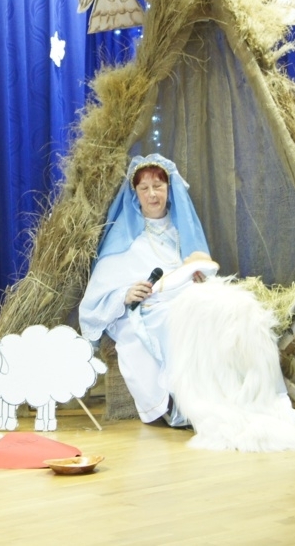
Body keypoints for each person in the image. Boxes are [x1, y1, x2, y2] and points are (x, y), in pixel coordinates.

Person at [79, 154, 215, 426]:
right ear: (136, 194)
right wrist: (126, 294)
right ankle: (183, 404)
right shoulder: (124, 236)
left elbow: (199, 272)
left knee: (215, 314)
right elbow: (99, 293)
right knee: (170, 320)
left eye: (158, 186)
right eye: (144, 188)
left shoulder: (181, 231)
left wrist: (199, 279)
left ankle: (215, 399)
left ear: (169, 189)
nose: (152, 194)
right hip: (145, 309)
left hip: (184, 300)